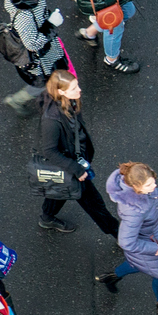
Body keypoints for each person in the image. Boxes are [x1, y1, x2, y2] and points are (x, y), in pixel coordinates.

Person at [33, 69, 119, 236]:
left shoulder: (68, 101)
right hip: (71, 166)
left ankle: (47, 217)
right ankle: (120, 235)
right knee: (95, 204)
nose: (79, 90)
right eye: (73, 88)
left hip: (72, 160)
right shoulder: (51, 120)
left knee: (60, 188)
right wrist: (77, 169)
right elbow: (49, 151)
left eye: (77, 85)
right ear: (60, 91)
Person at [100, 162, 158, 315]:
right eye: (149, 185)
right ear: (136, 187)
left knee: (136, 264)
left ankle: (112, 277)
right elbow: (126, 241)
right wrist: (154, 248)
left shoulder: (139, 191)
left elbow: (153, 194)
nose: (154, 186)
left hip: (153, 241)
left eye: (153, 182)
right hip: (152, 247)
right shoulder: (134, 211)